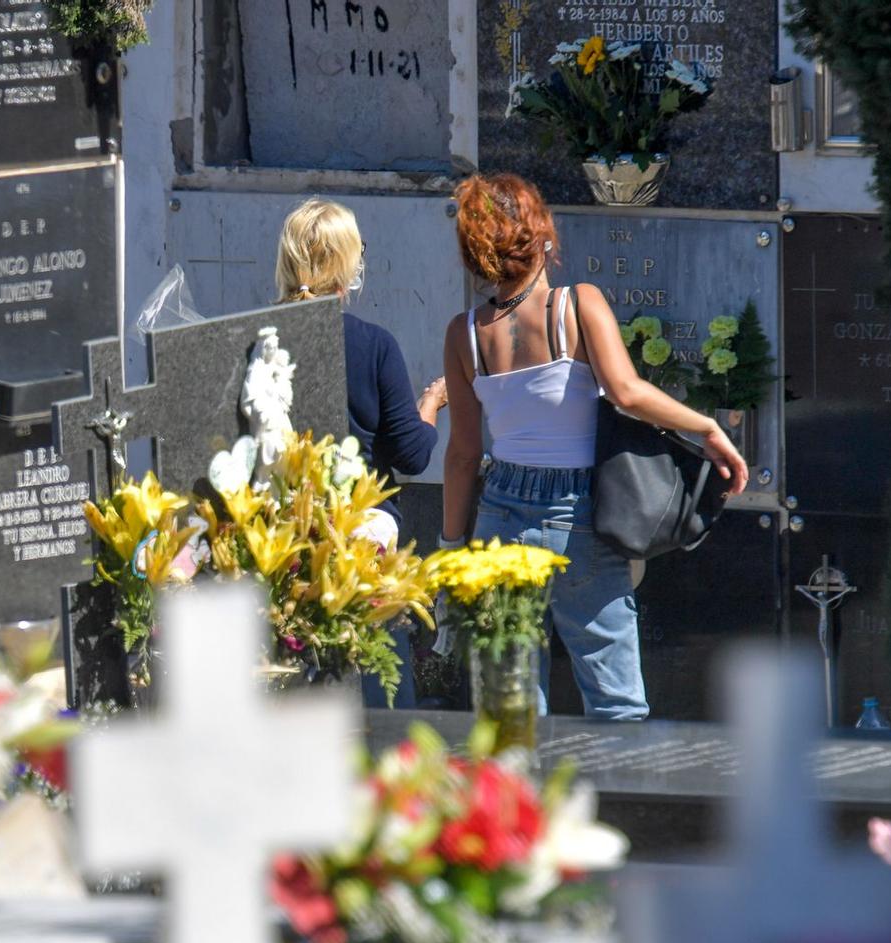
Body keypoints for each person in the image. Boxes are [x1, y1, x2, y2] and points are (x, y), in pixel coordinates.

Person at [440, 172, 748, 721]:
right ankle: (627, 807)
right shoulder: (577, 305)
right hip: (577, 513)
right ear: (542, 237)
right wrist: (706, 428)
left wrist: (448, 545)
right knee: (616, 701)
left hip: (497, 512)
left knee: (508, 707)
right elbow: (628, 393)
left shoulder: (463, 333)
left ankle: (516, 807)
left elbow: (464, 453)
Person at [275, 198, 445, 707]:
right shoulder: (373, 345)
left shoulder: (259, 338)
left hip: (282, 534)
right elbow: (413, 454)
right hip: (359, 538)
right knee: (377, 681)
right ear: (346, 265)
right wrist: (430, 406)